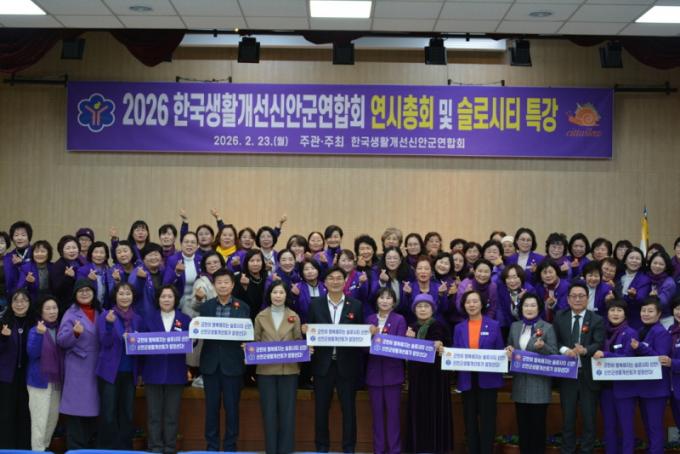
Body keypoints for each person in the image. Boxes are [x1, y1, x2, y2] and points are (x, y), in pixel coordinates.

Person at [302, 265, 364, 453]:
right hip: (323, 365)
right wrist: (305, 331)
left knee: (349, 410)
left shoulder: (356, 305)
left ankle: (349, 448)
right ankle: (322, 447)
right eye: (331, 278)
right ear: (325, 283)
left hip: (347, 365)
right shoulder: (316, 304)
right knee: (321, 409)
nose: (335, 281)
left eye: (339, 278)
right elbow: (310, 333)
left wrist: (368, 332)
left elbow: (360, 335)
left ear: (345, 282)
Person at [199, 268, 250, 451]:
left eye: (226, 282)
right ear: (214, 285)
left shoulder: (243, 307)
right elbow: (199, 332)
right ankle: (212, 446)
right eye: (219, 282)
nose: (222, 286)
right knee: (211, 408)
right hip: (210, 365)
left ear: (232, 285)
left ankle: (230, 446)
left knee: (232, 409)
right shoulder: (206, 307)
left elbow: (248, 334)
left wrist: (247, 344)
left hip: (233, 365)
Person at [553, 282, 605, 454]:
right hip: (567, 375)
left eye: (581, 296)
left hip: (587, 375)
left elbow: (599, 342)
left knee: (589, 420)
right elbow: (555, 341)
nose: (577, 299)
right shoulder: (560, 316)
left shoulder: (596, 319)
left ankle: (586, 450)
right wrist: (565, 350)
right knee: (567, 419)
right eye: (573, 296)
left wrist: (585, 350)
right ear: (568, 299)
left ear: (587, 298)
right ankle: (567, 450)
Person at [253, 280, 302, 454]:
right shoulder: (260, 316)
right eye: (275, 292)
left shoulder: (294, 316)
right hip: (266, 371)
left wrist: (305, 348)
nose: (278, 296)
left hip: (289, 370)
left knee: (288, 414)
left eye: (281, 292)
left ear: (286, 295)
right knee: (269, 414)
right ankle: (271, 450)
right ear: (269, 295)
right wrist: (249, 349)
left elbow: (298, 341)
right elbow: (255, 341)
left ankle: (286, 450)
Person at [505, 293, 557, 454]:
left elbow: (554, 354)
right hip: (520, 385)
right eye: (526, 305)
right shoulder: (515, 327)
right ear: (521, 308)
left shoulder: (547, 327)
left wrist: (543, 348)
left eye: (533, 305)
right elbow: (510, 348)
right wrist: (509, 351)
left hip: (539, 385)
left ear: (539, 308)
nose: (529, 308)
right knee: (523, 429)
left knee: (538, 429)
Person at [143, 285, 191, 454]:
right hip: (152, 372)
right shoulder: (148, 319)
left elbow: (192, 344)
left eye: (170, 296)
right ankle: (155, 447)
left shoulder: (185, 319)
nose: (166, 299)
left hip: (176, 372)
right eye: (163, 296)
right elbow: (140, 346)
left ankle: (170, 447)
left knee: (172, 415)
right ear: (158, 299)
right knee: (154, 415)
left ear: (175, 299)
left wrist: (194, 339)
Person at [454, 290, 504, 454]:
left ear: (482, 304)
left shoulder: (494, 325)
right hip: (467, 380)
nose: (472, 305)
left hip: (488, 381)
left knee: (488, 422)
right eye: (468, 302)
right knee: (470, 422)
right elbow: (455, 353)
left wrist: (507, 353)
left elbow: (500, 351)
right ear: (464, 305)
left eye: (475, 301)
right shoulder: (459, 328)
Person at [96, 282, 144, 449]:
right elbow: (104, 342)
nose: (125, 297)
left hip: (130, 372)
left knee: (127, 413)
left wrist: (140, 373)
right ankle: (107, 449)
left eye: (128, 293)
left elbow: (142, 347)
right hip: (110, 372)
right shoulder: (106, 315)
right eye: (121, 293)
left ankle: (125, 449)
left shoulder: (138, 319)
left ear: (133, 296)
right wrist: (109, 325)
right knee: (108, 414)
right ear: (115, 296)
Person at [404, 293, 453, 454]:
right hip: (417, 378)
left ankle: (436, 446)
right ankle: (419, 446)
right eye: (419, 306)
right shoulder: (411, 328)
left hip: (436, 379)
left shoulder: (440, 326)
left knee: (435, 412)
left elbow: (449, 351)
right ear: (414, 310)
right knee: (418, 412)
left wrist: (442, 347)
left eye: (426, 306)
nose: (423, 309)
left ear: (432, 309)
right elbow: (406, 353)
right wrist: (409, 340)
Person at [57, 279, 101, 449]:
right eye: (80, 291)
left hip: (96, 367)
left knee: (92, 412)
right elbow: (61, 341)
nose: (84, 293)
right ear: (75, 294)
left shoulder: (100, 311)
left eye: (88, 290)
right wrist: (74, 334)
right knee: (76, 411)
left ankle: (90, 448)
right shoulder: (70, 313)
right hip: (78, 367)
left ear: (94, 293)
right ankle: (75, 449)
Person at [592, 299, 638, 454]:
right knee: (609, 427)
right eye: (612, 310)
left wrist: (605, 355)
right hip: (606, 388)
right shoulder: (602, 331)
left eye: (619, 310)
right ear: (607, 313)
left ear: (625, 314)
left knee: (626, 428)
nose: (615, 313)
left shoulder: (630, 333)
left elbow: (628, 359)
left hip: (624, 389)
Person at [366, 287, 407, 454]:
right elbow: (363, 349)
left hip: (393, 374)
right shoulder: (369, 320)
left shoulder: (399, 319)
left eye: (388, 298)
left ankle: (394, 450)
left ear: (394, 302)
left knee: (393, 416)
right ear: (376, 300)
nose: (384, 301)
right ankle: (379, 450)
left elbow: (399, 346)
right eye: (381, 297)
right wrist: (370, 336)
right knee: (377, 416)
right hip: (374, 374)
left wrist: (379, 338)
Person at [631, 297, 671, 454]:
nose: (646, 314)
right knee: (648, 426)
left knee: (654, 427)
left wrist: (640, 347)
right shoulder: (641, 330)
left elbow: (660, 358)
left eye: (650, 311)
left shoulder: (661, 333)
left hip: (656, 389)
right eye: (643, 310)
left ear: (659, 314)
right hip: (643, 388)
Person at [26, 295, 63, 452]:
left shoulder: (60, 328)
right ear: (41, 312)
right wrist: (40, 334)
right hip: (39, 381)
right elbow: (32, 353)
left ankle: (44, 448)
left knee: (52, 419)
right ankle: (37, 450)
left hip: (56, 381)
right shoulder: (35, 329)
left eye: (54, 308)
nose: (52, 311)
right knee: (39, 421)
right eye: (48, 308)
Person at [0, 289, 36, 449]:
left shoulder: (35, 321)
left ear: (29, 303)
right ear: (11, 303)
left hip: (28, 376)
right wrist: (3, 338)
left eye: (23, 300)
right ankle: (6, 448)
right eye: (16, 300)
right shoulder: (3, 321)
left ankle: (24, 448)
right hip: (7, 376)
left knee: (25, 413)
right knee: (6, 413)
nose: (19, 304)